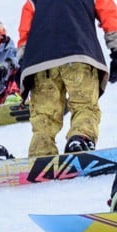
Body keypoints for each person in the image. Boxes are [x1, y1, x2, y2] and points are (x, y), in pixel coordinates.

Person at [18, 1, 117, 156]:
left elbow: (25, 32)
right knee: (84, 105)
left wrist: (22, 63)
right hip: (79, 54)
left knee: (44, 114)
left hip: (40, 62)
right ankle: (80, 139)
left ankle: (41, 150)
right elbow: (109, 15)